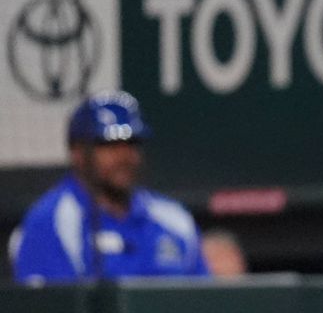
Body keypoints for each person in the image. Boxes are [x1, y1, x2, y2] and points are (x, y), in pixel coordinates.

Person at [10, 91, 209, 284]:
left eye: (131, 143)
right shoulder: (52, 221)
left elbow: (201, 304)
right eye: (110, 146)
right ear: (78, 152)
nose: (124, 157)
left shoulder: (174, 220)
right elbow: (53, 312)